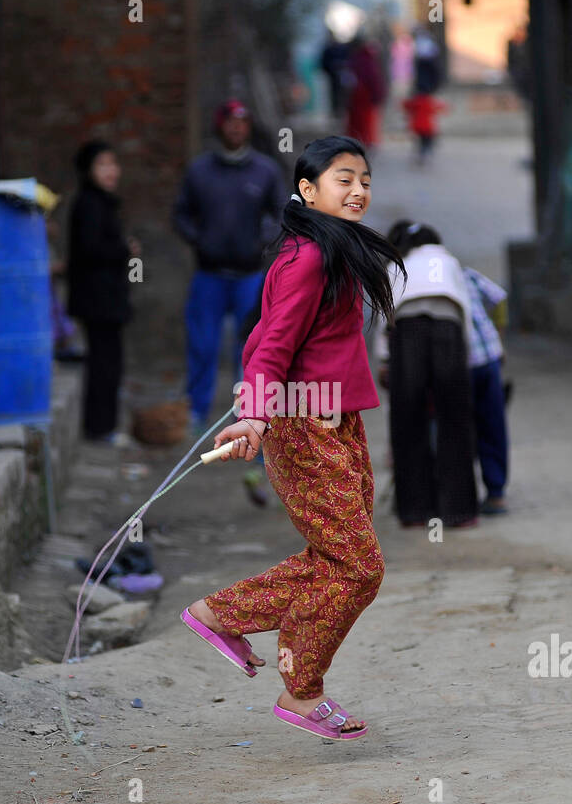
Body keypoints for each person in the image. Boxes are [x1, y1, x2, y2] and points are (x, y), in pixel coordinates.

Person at [181, 135, 404, 741]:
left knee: (340, 557)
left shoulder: (330, 248)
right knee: (360, 567)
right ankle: (301, 691)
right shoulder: (307, 256)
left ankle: (219, 616)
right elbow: (272, 340)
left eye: (364, 180)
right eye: (343, 180)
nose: (358, 191)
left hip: (337, 419)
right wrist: (254, 413)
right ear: (308, 190)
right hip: (303, 425)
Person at [173, 100, 288, 436]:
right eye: (230, 122)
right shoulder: (200, 171)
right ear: (219, 126)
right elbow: (180, 214)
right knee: (203, 345)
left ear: (249, 127)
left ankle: (249, 417)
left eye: (243, 122)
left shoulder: (264, 170)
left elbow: (283, 213)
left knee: (252, 350)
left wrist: (263, 241)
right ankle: (196, 411)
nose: (236, 128)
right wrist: (200, 239)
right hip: (208, 274)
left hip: (251, 277)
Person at [375, 220, 478, 528]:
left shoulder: (397, 264)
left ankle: (414, 510)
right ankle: (459, 511)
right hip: (448, 331)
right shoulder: (449, 262)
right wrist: (466, 354)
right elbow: (466, 312)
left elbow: (385, 313)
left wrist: (383, 358)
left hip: (407, 333)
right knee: (455, 420)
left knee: (407, 418)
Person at [67, 140, 139, 444]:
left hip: (107, 297)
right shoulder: (89, 204)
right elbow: (90, 249)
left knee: (110, 361)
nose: (110, 171)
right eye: (102, 165)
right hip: (97, 299)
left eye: (113, 164)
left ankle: (104, 427)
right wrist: (125, 249)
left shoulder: (104, 203)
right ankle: (100, 429)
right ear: (88, 170)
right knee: (103, 364)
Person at [462, 267, 510, 514]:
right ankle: (496, 493)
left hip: (460, 365)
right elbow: (499, 297)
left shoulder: (417, 279)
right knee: (492, 425)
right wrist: (497, 338)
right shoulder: (465, 273)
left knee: (460, 429)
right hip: (489, 357)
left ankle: (465, 498)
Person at [344, 33, 387, 148]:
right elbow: (375, 79)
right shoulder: (367, 59)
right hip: (364, 97)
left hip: (361, 96)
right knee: (366, 121)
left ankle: (361, 141)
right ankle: (366, 141)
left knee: (362, 121)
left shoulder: (359, 59)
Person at [402, 89, 448, 166]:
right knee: (427, 141)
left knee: (421, 140)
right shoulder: (430, 101)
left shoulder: (415, 101)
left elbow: (405, 104)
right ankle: (425, 154)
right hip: (428, 126)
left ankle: (421, 154)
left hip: (417, 126)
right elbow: (442, 107)